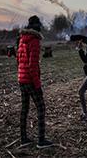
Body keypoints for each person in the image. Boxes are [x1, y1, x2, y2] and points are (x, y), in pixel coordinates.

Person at [17, 16, 54, 148]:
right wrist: (37, 85)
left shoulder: (22, 39)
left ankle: (23, 139)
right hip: (30, 80)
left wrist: (21, 75)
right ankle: (41, 140)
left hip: (21, 79)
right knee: (41, 107)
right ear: (37, 27)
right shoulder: (34, 41)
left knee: (25, 108)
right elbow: (33, 66)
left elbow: (18, 60)